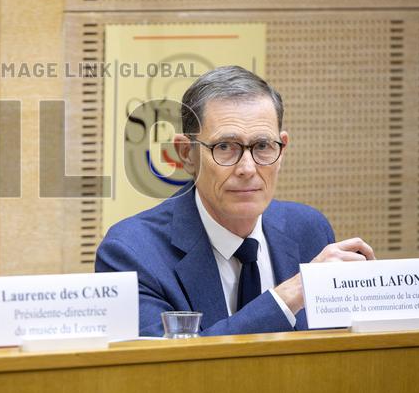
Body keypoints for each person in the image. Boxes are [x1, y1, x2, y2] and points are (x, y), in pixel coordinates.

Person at [96, 65, 374, 336]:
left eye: (263, 146)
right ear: (186, 154)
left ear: (283, 148)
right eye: (225, 147)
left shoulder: (309, 229)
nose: (247, 169)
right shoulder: (132, 252)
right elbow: (169, 370)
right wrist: (290, 295)